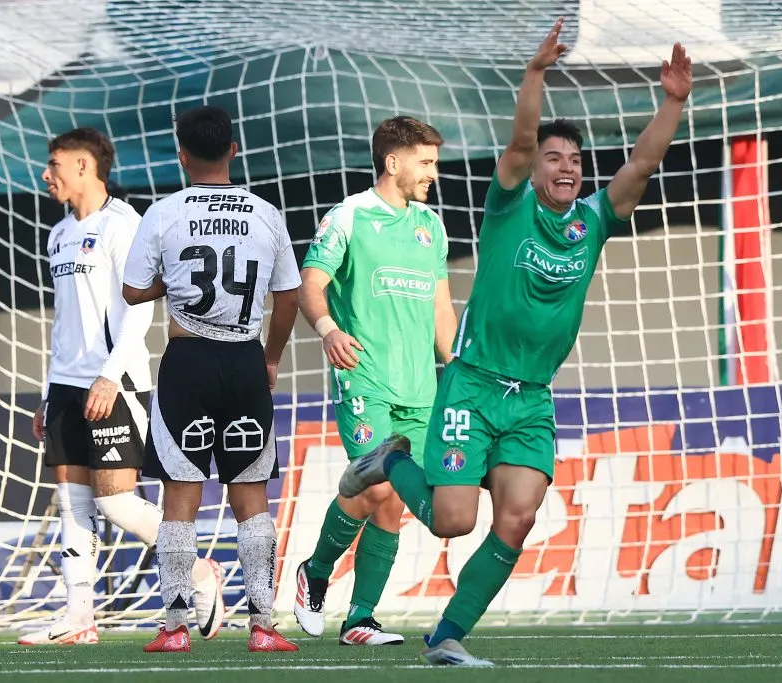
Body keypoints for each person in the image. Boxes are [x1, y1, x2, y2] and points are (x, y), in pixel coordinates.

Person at [339, 18, 693, 666]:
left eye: (575, 161)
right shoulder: (508, 208)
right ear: (534, 172)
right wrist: (534, 75)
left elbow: (643, 161)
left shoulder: (592, 222)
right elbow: (521, 141)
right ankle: (390, 458)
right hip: (471, 384)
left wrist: (672, 101)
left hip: (530, 399)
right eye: (554, 158)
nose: (566, 166)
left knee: (518, 517)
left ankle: (447, 635)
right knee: (452, 521)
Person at [20, 128, 224, 646]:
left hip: (115, 382)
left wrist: (111, 374)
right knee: (73, 504)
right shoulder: (58, 233)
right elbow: (63, 322)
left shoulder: (124, 223)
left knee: (115, 502)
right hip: (65, 386)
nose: (48, 174)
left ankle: (200, 573)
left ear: (85, 166)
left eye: (55, 163)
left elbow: (140, 308)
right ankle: (78, 617)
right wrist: (48, 392)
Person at [122, 106, 302, 653]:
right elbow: (288, 294)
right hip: (245, 361)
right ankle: (265, 626)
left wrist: (171, 286)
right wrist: (269, 357)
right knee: (251, 497)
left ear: (181, 155)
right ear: (234, 149)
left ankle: (176, 627)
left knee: (180, 497)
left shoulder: (164, 212)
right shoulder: (266, 213)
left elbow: (132, 291)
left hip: (189, 363)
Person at [293, 116, 457, 645]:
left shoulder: (430, 225)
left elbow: (441, 307)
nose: (433, 172)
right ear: (394, 162)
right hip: (363, 378)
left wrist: (456, 366)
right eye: (425, 162)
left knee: (396, 500)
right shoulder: (349, 216)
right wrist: (327, 329)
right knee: (383, 483)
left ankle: (358, 617)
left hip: (422, 390)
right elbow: (310, 284)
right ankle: (317, 574)